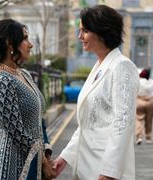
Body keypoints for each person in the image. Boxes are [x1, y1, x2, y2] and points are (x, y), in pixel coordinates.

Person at [53, 5, 139, 180]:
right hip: (86, 165)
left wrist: (109, 172)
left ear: (102, 32)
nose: (79, 37)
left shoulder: (122, 66)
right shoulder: (99, 66)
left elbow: (123, 122)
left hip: (103, 169)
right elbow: (88, 123)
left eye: (85, 31)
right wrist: (65, 156)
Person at [0, 19, 52, 180]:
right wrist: (43, 162)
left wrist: (45, 153)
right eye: (25, 39)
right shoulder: (1, 81)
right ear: (9, 44)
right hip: (9, 163)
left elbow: (38, 118)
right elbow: (16, 132)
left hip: (32, 157)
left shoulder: (23, 74)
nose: (30, 44)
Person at [136, 68, 153, 145]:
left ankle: (139, 137)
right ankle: (148, 137)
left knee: (139, 119)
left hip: (140, 101)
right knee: (149, 120)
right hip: (150, 101)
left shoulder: (139, 81)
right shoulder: (152, 82)